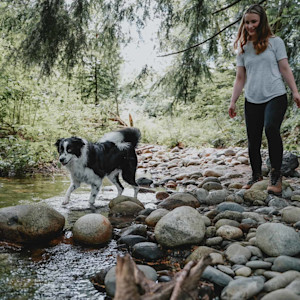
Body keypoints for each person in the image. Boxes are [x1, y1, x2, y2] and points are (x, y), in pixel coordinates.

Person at [228, 4, 300, 195]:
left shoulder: (275, 42)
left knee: (270, 128)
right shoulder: (243, 48)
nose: (250, 26)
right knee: (253, 138)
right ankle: (256, 175)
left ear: (262, 22)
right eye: (247, 22)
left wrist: (295, 91)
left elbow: (285, 68)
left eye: (254, 22)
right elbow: (240, 77)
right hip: (252, 98)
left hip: (275, 95)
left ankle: (276, 175)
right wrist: (233, 101)